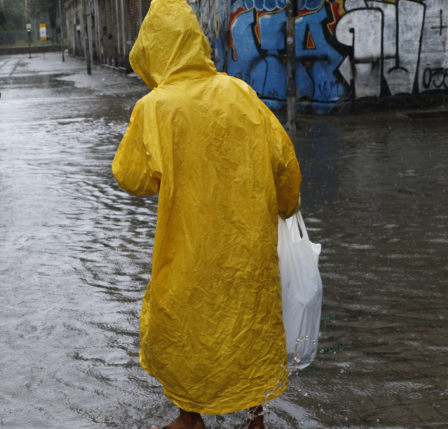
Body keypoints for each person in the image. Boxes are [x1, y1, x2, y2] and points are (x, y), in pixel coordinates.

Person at [111, 0, 302, 428]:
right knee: (249, 319)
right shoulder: (240, 92)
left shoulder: (155, 107)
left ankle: (189, 415)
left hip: (191, 246)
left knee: (188, 324)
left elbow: (130, 175)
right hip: (247, 244)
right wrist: (288, 205)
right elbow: (283, 161)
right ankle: (256, 415)